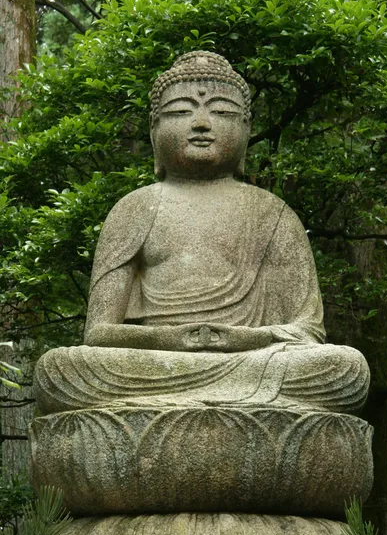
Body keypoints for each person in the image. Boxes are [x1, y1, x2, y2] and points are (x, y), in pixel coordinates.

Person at [34, 51, 369, 416]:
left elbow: (307, 332)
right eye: (180, 112)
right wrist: (167, 339)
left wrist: (248, 338)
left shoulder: (274, 214)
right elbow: (98, 333)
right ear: (153, 131)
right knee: (60, 370)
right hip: (157, 364)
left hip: (252, 361)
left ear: (245, 129)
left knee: (345, 369)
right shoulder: (134, 209)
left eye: (222, 112)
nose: (201, 124)